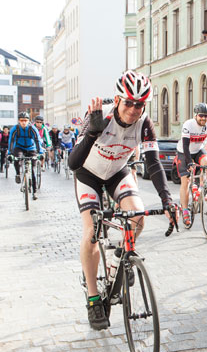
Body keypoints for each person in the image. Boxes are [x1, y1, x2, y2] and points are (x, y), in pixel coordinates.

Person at [68, 70, 177, 331]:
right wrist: (92, 132)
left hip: (117, 172)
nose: (133, 109)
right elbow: (73, 163)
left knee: (138, 216)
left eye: (139, 104)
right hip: (88, 175)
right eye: (128, 102)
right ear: (117, 100)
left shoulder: (145, 124)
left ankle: (118, 260)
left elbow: (153, 165)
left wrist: (167, 200)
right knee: (91, 232)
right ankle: (94, 298)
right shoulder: (99, 116)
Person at [175, 102, 207, 227]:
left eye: (206, 116)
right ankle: (185, 210)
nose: (203, 118)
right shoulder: (188, 125)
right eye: (201, 116)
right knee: (185, 181)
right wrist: (190, 162)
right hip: (184, 152)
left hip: (198, 150)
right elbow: (185, 146)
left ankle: (201, 188)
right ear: (196, 115)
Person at [8, 112, 43, 199]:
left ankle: (34, 192)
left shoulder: (32, 129)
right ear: (19, 121)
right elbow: (11, 141)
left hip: (31, 148)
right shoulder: (15, 129)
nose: (23, 122)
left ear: (28, 121)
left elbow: (37, 140)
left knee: (33, 171)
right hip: (19, 147)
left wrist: (40, 152)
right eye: (21, 120)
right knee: (17, 160)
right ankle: (17, 174)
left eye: (25, 120)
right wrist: (10, 153)